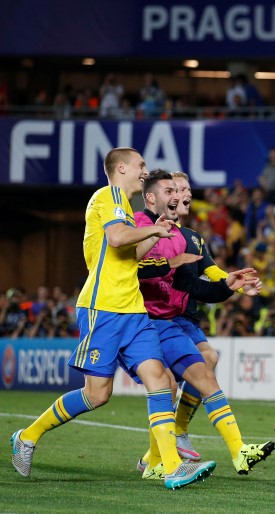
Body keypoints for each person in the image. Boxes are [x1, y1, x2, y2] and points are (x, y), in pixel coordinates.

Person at [10, 148, 215, 490]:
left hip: (133, 309)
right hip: (102, 307)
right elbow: (117, 238)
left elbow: (130, 254)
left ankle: (171, 466)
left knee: (160, 378)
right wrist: (146, 232)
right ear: (121, 168)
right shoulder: (107, 197)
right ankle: (27, 436)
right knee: (97, 394)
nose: (144, 172)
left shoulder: (129, 211)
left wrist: (154, 232)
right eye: (140, 166)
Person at [133, 170, 274, 478]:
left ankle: (227, 452)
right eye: (174, 189)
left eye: (185, 191)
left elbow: (208, 274)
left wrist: (232, 284)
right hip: (149, 320)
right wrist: (222, 284)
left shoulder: (190, 237)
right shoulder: (141, 227)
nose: (181, 195)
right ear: (157, 195)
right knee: (159, 385)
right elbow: (137, 269)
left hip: (176, 318)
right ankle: (165, 453)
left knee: (196, 372)